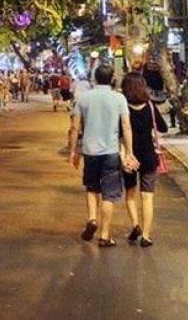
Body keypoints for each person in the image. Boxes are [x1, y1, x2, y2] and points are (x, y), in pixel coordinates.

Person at [68, 64, 135, 248]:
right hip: (111, 152)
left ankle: (91, 219)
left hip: (90, 152)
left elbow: (75, 127)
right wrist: (129, 152)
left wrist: (73, 151)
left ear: (95, 78)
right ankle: (104, 236)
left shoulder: (83, 98)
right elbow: (126, 126)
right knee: (109, 195)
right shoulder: (119, 98)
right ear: (112, 78)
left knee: (92, 188)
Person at [120, 72, 168, 247]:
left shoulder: (122, 105)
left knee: (130, 193)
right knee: (147, 197)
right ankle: (146, 236)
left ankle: (135, 225)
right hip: (148, 155)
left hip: (129, 155)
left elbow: (119, 131)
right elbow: (163, 127)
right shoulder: (150, 105)